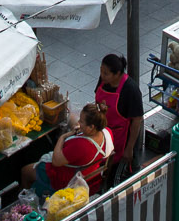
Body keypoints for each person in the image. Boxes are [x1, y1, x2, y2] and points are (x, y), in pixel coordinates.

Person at [34, 103, 112, 196]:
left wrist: (62, 137)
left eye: (82, 121)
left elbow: (56, 161)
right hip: (89, 171)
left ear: (91, 127)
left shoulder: (81, 146)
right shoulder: (107, 133)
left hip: (65, 179)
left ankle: (28, 197)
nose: (79, 122)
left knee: (25, 172)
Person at [96, 54, 145, 182]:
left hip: (121, 140)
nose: (102, 75)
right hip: (104, 133)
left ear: (117, 74)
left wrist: (129, 149)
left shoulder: (130, 89)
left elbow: (137, 121)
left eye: (106, 73)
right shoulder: (104, 81)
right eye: (101, 71)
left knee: (117, 174)